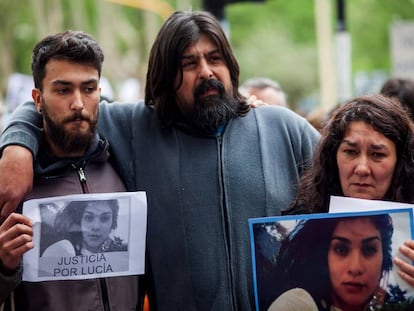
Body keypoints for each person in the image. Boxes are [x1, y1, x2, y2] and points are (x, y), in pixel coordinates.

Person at [0, 11, 320, 310]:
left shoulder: (283, 127)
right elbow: (64, 106)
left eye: (214, 58)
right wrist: (17, 146)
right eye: (189, 63)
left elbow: (344, 176)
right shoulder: (137, 129)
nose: (206, 72)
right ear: (167, 77)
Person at [0, 31, 141, 310]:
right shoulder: (11, 184)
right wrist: (4, 265)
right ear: (37, 100)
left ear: (100, 93)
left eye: (88, 89)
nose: (78, 104)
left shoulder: (127, 159)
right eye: (63, 90)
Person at [267, 94, 414, 309]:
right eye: (350, 152)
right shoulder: (298, 300)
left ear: (399, 163)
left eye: (377, 154)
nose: (362, 168)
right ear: (333, 157)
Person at [267, 214, 394, 311]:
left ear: (384, 261)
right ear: (324, 257)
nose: (355, 267)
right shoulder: (297, 303)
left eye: (369, 250)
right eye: (341, 249)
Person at [41, 199, 127, 257]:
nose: (96, 227)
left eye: (104, 218)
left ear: (113, 222)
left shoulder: (122, 253)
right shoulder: (61, 250)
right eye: (89, 218)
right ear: (79, 220)